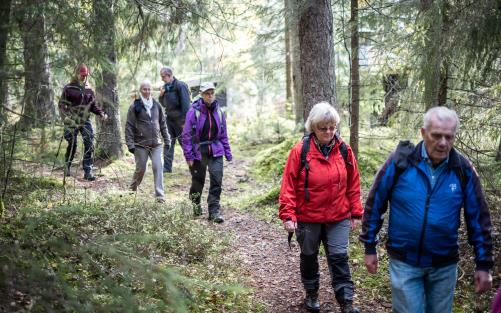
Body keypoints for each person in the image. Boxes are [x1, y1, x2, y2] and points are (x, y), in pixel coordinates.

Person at [360, 106, 494, 313]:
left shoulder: (462, 169)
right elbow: (375, 202)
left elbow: (478, 218)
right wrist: (370, 246)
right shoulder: (400, 162)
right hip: (405, 261)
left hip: (444, 265)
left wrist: (483, 264)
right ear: (423, 133)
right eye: (437, 135)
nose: (443, 143)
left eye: (449, 137)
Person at [279, 102, 362, 313]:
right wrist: (288, 214)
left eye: (332, 127)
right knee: (309, 255)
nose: (328, 132)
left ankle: (346, 300)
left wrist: (356, 212)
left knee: (339, 257)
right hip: (307, 216)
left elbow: (353, 183)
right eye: (323, 128)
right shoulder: (300, 151)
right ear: (313, 127)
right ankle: (311, 293)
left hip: (338, 215)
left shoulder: (344, 149)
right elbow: (288, 185)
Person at [181, 82, 232, 223]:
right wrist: (188, 155)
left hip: (216, 150)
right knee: (198, 181)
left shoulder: (219, 111)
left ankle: (214, 211)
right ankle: (196, 204)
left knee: (217, 180)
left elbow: (223, 134)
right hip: (199, 151)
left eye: (212, 93)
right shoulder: (194, 111)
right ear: (202, 95)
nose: (210, 96)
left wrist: (227, 152)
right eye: (207, 93)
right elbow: (186, 135)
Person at [58, 63, 107, 181]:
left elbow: (93, 106)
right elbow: (61, 105)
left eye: (86, 75)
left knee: (89, 143)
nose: (84, 77)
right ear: (76, 74)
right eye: (82, 75)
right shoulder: (69, 88)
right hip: (71, 120)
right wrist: (65, 117)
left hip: (85, 120)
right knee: (72, 143)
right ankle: (67, 166)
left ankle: (88, 170)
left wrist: (101, 113)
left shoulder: (89, 89)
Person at [125, 80, 171, 203]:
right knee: (141, 168)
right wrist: (130, 144)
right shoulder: (135, 106)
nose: (147, 91)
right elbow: (129, 126)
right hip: (140, 144)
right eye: (144, 89)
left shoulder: (156, 105)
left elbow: (162, 124)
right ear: (140, 90)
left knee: (158, 166)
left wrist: (167, 139)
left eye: (149, 89)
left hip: (156, 143)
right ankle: (132, 189)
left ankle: (160, 196)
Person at [158, 67, 191, 173]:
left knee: (185, 143)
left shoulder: (180, 85)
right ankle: (167, 168)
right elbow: (163, 104)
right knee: (168, 142)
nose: (162, 79)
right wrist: (161, 96)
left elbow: (186, 105)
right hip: (169, 120)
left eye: (163, 76)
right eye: (161, 77)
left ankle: (194, 166)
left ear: (169, 75)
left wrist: (185, 122)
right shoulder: (165, 87)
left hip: (180, 120)